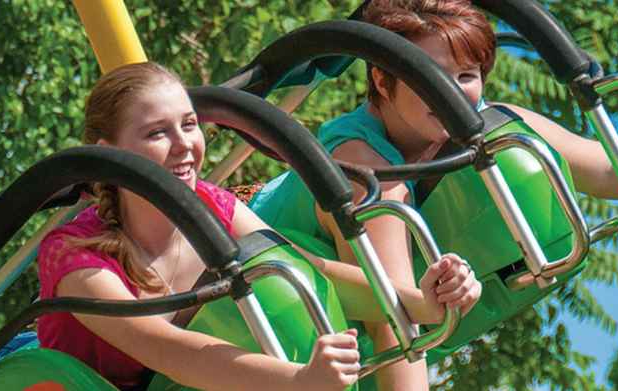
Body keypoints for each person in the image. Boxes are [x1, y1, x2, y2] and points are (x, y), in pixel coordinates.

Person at [250, 0, 618, 389]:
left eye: (466, 76)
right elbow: (392, 321)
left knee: (512, 145)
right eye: (430, 78)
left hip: (356, 326)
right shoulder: (363, 169)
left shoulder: (488, 128)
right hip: (258, 303)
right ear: (381, 81)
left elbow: (611, 168)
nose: (451, 95)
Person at [37, 61, 481, 391]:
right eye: (157, 133)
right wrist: (299, 380)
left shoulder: (212, 204)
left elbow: (311, 270)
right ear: (108, 154)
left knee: (278, 276)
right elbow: (169, 350)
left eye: (189, 125)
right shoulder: (78, 257)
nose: (185, 146)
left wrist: (422, 303)